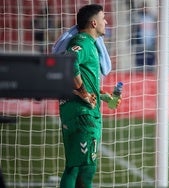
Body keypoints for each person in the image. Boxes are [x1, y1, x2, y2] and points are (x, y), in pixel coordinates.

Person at [59, 4, 121, 188]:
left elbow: (84, 78)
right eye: (103, 18)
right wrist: (83, 93)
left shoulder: (89, 44)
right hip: (82, 114)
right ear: (94, 23)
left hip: (78, 111)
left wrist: (104, 96)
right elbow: (69, 62)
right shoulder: (82, 42)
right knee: (87, 168)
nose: (106, 21)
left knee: (75, 166)